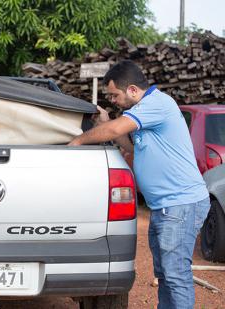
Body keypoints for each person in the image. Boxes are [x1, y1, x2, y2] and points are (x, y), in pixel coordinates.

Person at [69, 60, 210, 309]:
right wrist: (104, 123)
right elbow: (131, 146)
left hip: (180, 204)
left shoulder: (157, 104)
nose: (113, 100)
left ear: (132, 90)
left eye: (114, 95)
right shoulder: (146, 112)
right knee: (166, 274)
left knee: (175, 275)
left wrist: (78, 141)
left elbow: (115, 130)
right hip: (166, 206)